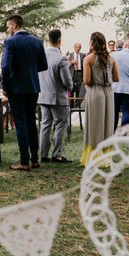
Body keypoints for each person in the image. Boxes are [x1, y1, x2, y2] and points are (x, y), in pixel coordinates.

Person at [1, 14, 48, 171]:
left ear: (14, 26)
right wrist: (30, 71)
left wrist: (5, 86)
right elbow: (43, 65)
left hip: (16, 88)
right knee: (30, 122)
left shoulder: (10, 42)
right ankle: (35, 159)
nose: (8, 29)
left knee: (20, 122)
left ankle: (24, 161)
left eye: (8, 26)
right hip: (33, 86)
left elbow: (5, 67)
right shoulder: (37, 41)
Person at [81, 32, 119, 166]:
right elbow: (116, 78)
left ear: (92, 42)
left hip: (95, 92)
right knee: (107, 124)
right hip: (108, 92)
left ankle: (92, 157)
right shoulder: (111, 58)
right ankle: (105, 157)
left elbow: (86, 80)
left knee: (94, 125)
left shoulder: (88, 58)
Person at [38, 29, 73, 163]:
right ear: (59, 40)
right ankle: (57, 154)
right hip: (58, 96)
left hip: (43, 95)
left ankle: (44, 154)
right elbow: (67, 81)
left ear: (48, 40)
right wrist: (69, 88)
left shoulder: (41, 56)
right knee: (61, 124)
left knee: (45, 124)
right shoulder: (61, 58)